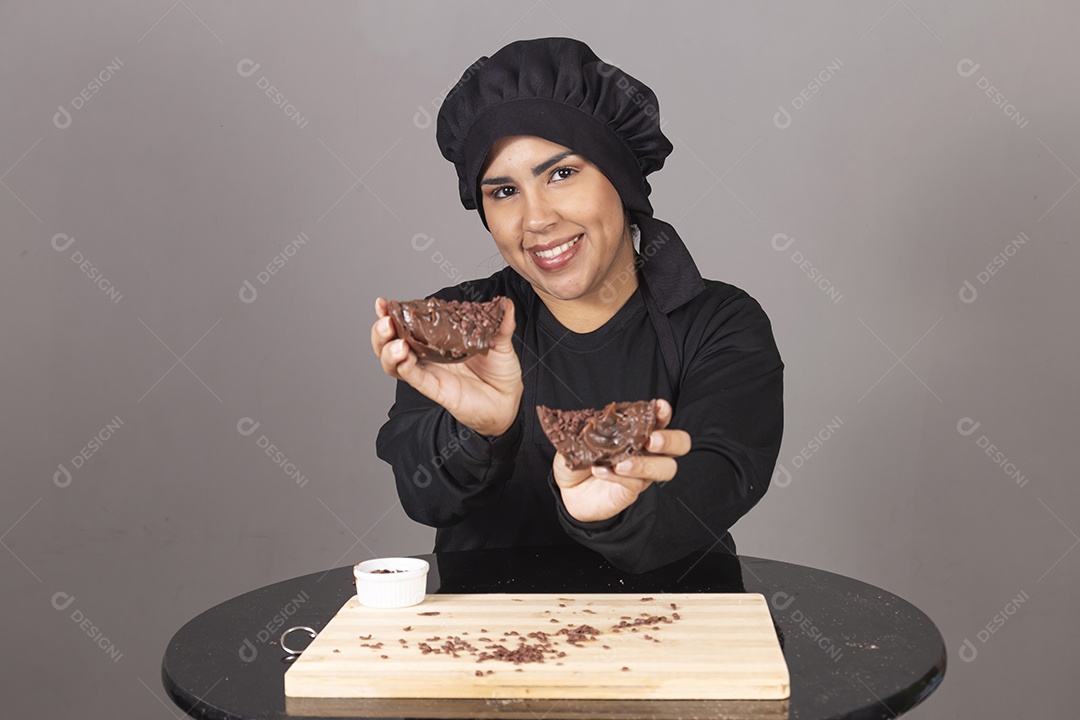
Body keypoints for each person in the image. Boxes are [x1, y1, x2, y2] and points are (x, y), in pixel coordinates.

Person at [371, 37, 783, 574]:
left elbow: (718, 483)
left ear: (620, 179)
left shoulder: (718, 323)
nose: (536, 218)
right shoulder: (457, 322)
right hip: (483, 635)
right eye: (503, 191)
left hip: (675, 629)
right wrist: (480, 434)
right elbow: (426, 499)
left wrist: (604, 517)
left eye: (562, 174)